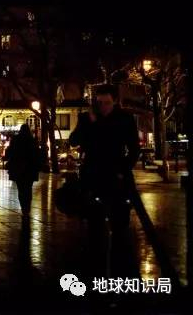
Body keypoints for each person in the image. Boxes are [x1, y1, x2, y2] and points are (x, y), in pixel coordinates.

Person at [69, 84, 141, 277]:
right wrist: (88, 123)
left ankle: (120, 269)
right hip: (93, 176)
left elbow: (134, 148)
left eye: (107, 102)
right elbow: (73, 140)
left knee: (120, 225)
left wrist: (123, 169)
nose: (103, 107)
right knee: (94, 226)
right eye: (99, 102)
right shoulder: (87, 118)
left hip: (116, 175)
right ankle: (96, 270)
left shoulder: (124, 119)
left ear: (115, 101)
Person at [4, 124, 41, 216]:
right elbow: (37, 154)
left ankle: (24, 208)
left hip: (18, 168)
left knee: (21, 189)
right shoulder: (32, 140)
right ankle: (27, 208)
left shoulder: (16, 139)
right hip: (30, 169)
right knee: (28, 189)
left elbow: (10, 152)